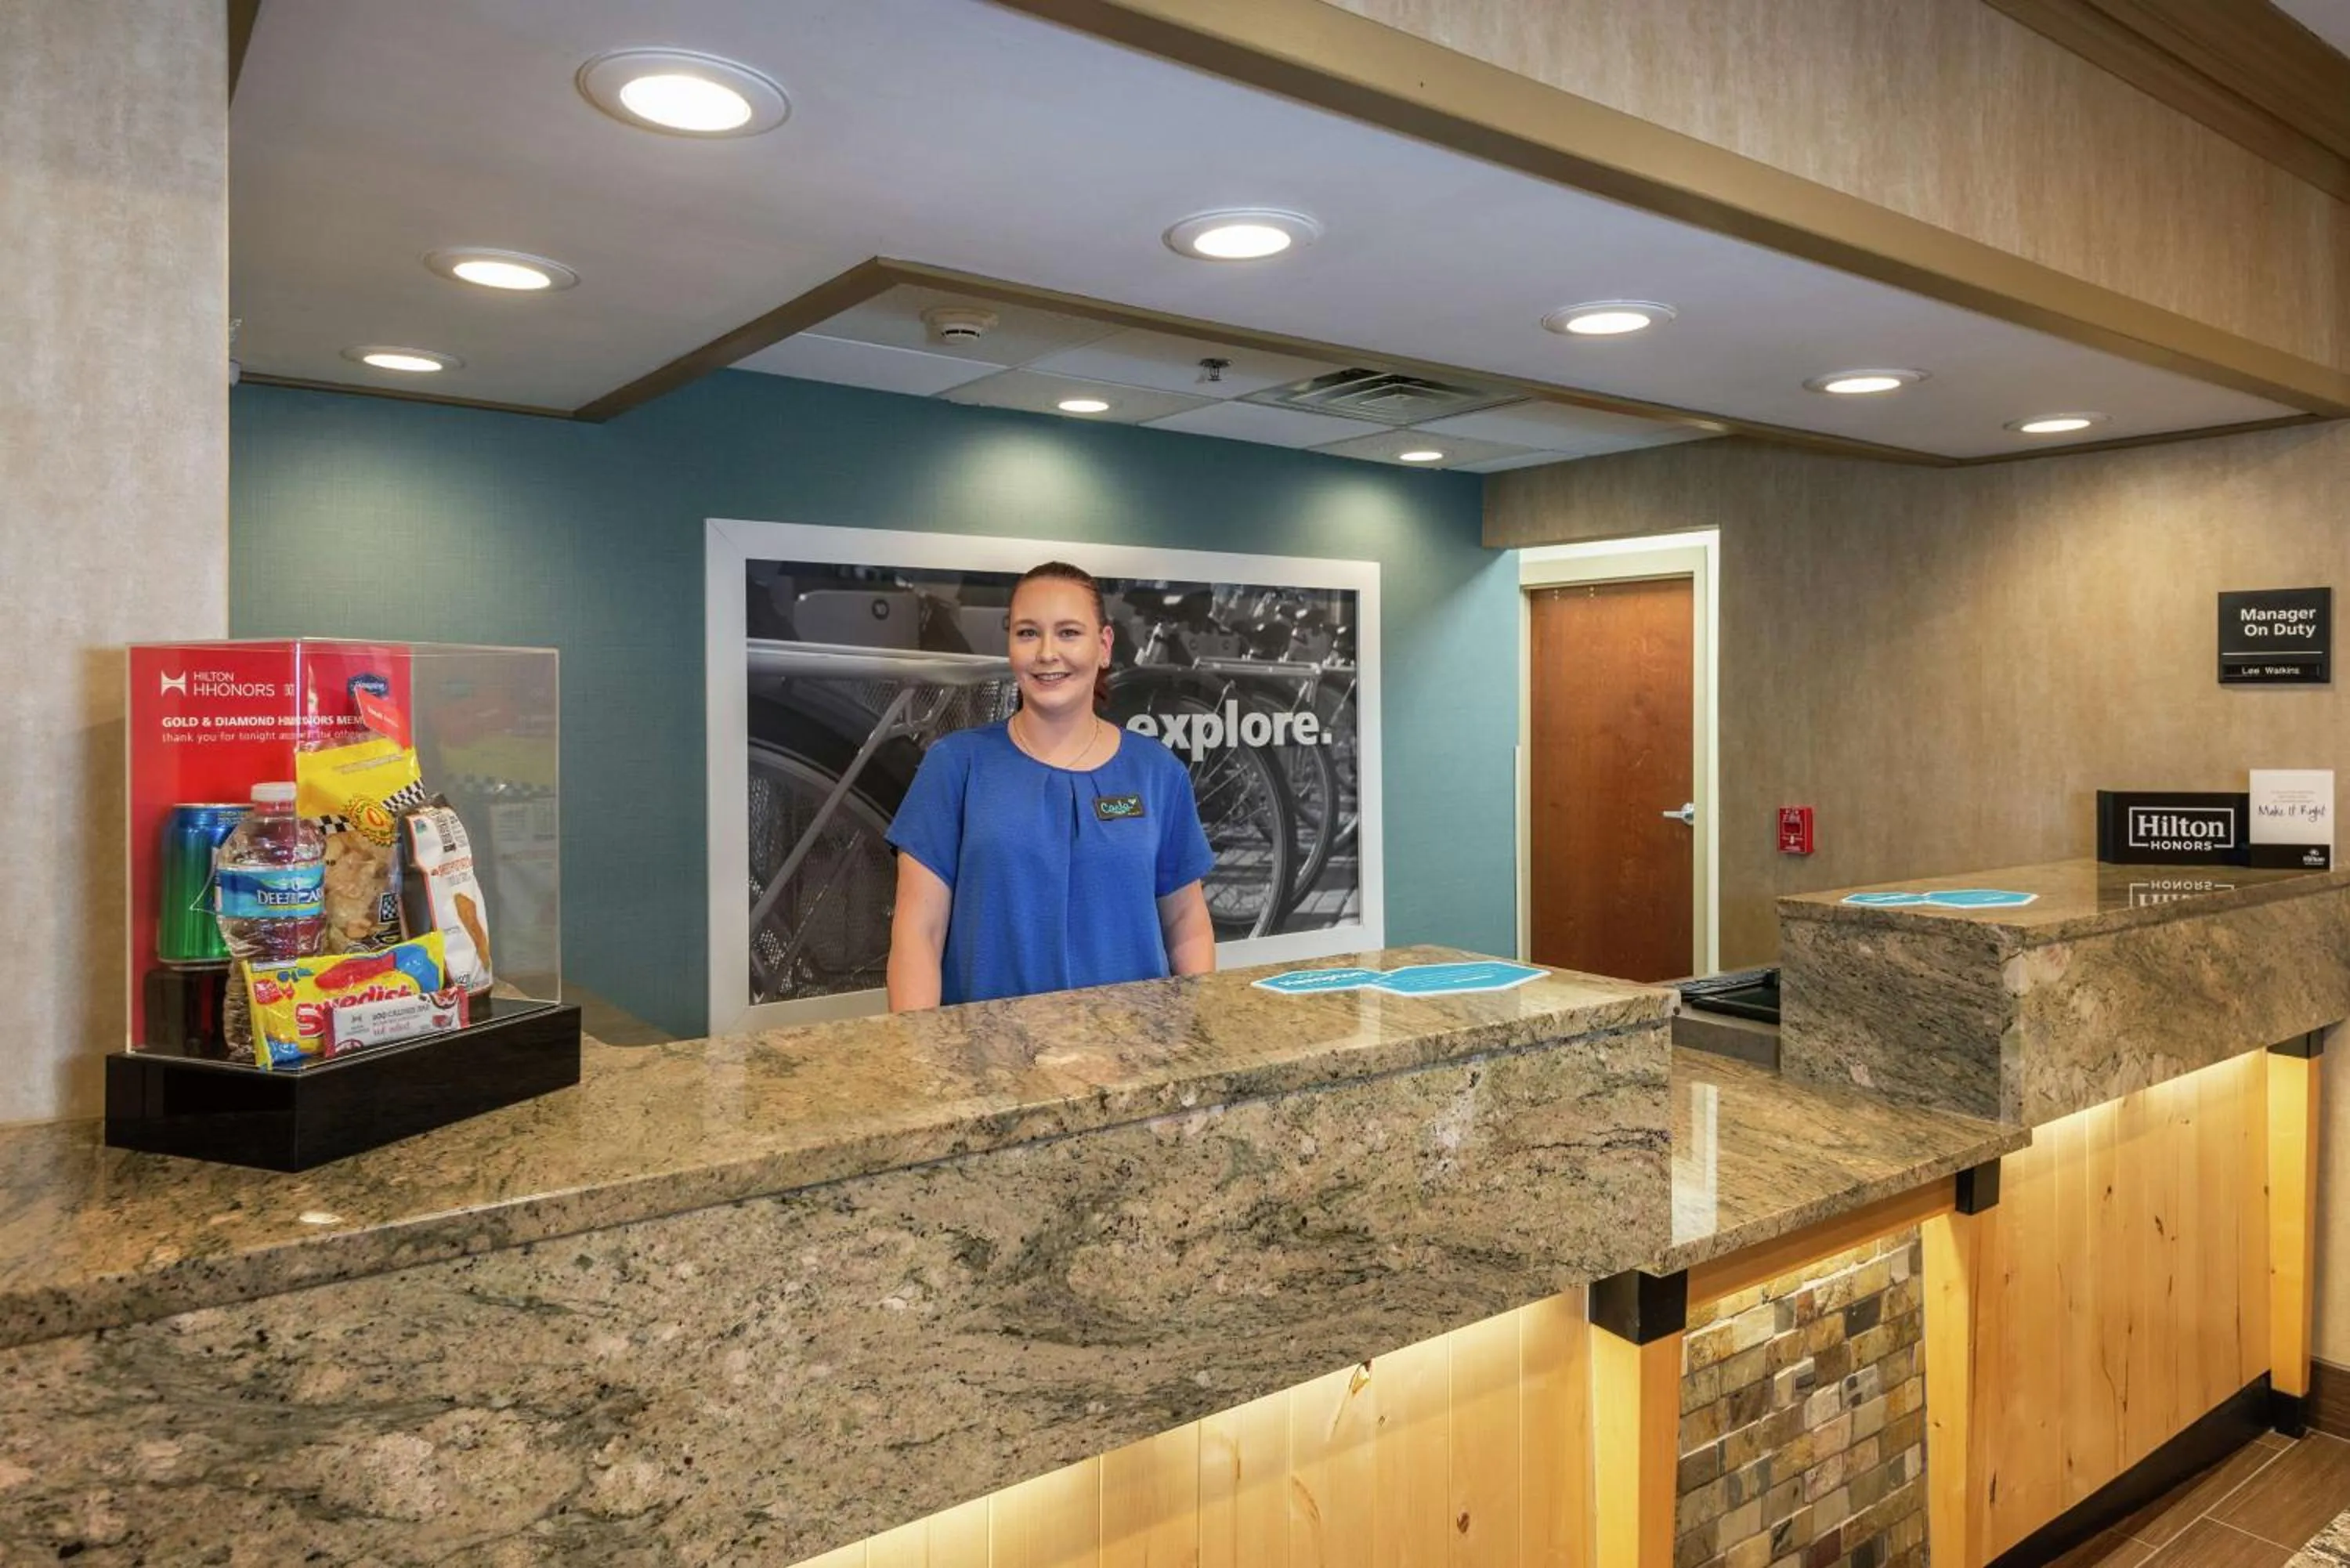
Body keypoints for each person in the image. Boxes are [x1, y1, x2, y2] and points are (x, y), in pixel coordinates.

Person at [884, 561, 1217, 1010]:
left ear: (1103, 646)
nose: (1046, 653)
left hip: (1135, 1058)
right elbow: (918, 934)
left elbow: (1187, 926)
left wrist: (1195, 1043)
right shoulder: (955, 766)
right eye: (1027, 633)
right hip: (991, 1063)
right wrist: (924, 1060)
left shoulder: (1157, 772)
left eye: (1068, 633)